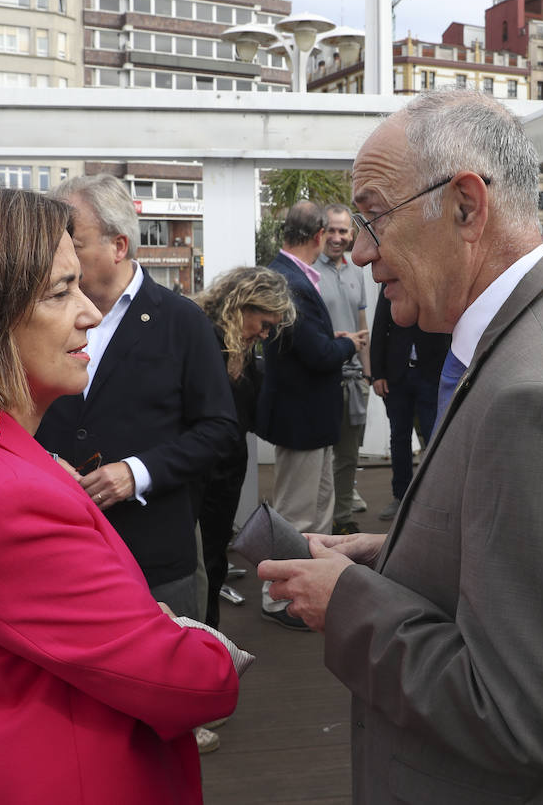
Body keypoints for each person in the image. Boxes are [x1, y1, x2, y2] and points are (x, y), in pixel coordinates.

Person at [261, 90, 543, 802]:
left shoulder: (533, 392)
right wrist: (392, 555)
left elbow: (525, 717)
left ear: (465, 206)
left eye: (373, 217)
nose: (361, 252)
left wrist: (350, 607)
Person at [0, 187, 240, 803]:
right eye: (58, 291)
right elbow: (198, 684)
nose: (90, 314)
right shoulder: (5, 497)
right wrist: (212, 645)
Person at [35, 175, 240, 621]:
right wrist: (44, 461)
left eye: (74, 240)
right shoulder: (34, 317)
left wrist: (137, 472)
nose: (60, 253)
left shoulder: (182, 322)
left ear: (119, 246)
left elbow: (220, 430)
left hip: (154, 553)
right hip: (58, 551)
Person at [257, 200, 366, 630]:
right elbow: (318, 354)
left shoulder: (286, 274)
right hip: (302, 417)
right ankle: (274, 597)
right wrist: (348, 344)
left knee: (317, 512)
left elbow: (305, 342)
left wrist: (329, 339)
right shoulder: (292, 281)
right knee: (295, 514)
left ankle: (303, 590)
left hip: (308, 417)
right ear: (320, 235)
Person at [193, 266, 295, 627]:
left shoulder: (241, 345)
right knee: (201, 565)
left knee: (214, 560)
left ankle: (210, 638)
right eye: (264, 323)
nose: (265, 333)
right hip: (199, 474)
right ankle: (202, 641)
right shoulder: (204, 337)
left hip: (226, 472)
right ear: (243, 306)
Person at [367, 284, 450, 522]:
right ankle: (400, 496)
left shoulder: (436, 275)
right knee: (399, 437)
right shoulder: (391, 279)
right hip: (397, 376)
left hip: (431, 374)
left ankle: (433, 498)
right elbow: (380, 325)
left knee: (434, 436)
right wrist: (377, 373)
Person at [315, 204, 372, 535]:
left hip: (353, 381)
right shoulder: (310, 271)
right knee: (321, 459)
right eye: (332, 230)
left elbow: (362, 323)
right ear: (321, 232)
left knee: (348, 457)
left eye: (343, 231)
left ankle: (343, 517)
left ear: (352, 235)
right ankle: (320, 523)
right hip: (322, 378)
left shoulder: (357, 274)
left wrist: (368, 373)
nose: (337, 237)